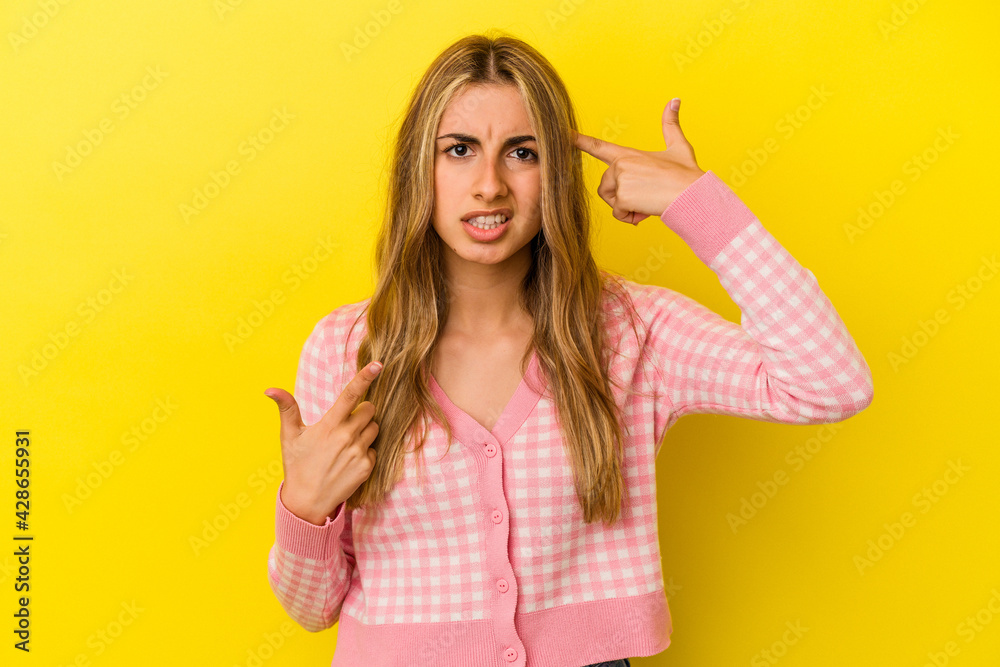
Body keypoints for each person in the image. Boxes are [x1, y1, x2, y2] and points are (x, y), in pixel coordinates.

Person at [262, 31, 873, 667]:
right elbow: (311, 609)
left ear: (554, 170)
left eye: (521, 152)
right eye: (460, 150)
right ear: (421, 166)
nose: (489, 185)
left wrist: (697, 205)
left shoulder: (633, 330)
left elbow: (829, 383)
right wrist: (305, 507)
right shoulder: (346, 348)